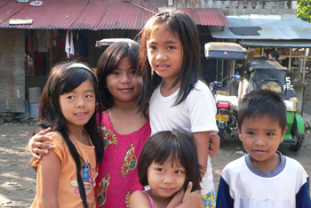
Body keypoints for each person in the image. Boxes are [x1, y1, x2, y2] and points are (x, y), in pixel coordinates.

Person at [29, 42, 213, 208]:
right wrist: (35, 143)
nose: (125, 80)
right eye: (116, 73)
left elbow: (184, 150)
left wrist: (210, 143)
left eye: (133, 72)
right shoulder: (93, 121)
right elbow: (63, 141)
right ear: (103, 82)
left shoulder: (157, 118)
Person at [137, 10, 218, 208]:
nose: (160, 56)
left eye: (170, 47)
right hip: (164, 191)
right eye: (153, 47)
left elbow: (200, 162)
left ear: (187, 50)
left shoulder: (196, 93)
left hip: (194, 193)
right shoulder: (154, 94)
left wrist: (180, 201)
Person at [216, 89, 311, 208]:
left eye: (269, 134)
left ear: (282, 133)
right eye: (251, 133)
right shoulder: (231, 174)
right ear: (240, 131)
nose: (260, 142)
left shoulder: (296, 173)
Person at [31, 62, 103, 208]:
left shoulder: (89, 137)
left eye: (88, 96)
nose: (81, 104)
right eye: (71, 97)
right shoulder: (53, 143)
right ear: (54, 101)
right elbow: (47, 199)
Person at [130, 130, 205, 208]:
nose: (168, 180)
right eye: (160, 170)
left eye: (178, 171)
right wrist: (187, 205)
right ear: (145, 169)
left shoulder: (192, 198)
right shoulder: (139, 198)